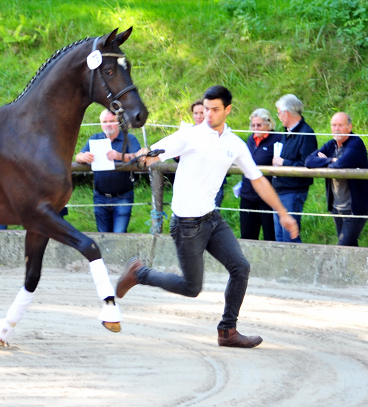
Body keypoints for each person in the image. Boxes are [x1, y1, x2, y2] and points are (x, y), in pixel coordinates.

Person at [116, 85, 298, 348]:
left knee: (240, 268)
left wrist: (283, 213)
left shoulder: (234, 143)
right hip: (187, 224)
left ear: (228, 110)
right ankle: (139, 273)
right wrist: (143, 156)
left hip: (211, 219)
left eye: (214, 110)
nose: (208, 115)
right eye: (206, 109)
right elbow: (153, 154)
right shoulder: (189, 136)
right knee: (191, 288)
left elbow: (257, 180)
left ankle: (228, 331)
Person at [305, 112, 368, 246]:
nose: (336, 128)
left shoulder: (355, 143)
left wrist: (324, 161)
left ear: (349, 127)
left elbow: (340, 164)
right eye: (334, 125)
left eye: (340, 125)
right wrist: (332, 159)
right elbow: (309, 161)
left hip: (355, 208)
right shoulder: (331, 145)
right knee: (349, 247)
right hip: (337, 207)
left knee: (343, 245)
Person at [75, 108, 142, 233]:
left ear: (119, 123)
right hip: (100, 196)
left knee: (119, 235)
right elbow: (77, 156)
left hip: (123, 196)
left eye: (112, 121)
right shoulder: (94, 139)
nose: (108, 124)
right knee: (103, 235)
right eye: (105, 121)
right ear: (101, 124)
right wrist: (83, 157)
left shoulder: (129, 138)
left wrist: (119, 156)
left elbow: (140, 157)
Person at [272, 94, 318, 242]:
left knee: (289, 237)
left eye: (279, 113)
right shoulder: (287, 132)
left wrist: (283, 163)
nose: (278, 116)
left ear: (286, 113)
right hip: (280, 189)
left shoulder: (306, 133)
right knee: (279, 238)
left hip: (293, 191)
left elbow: (307, 164)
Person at [239, 109, 283, 241]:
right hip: (247, 194)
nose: (255, 128)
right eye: (253, 125)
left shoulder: (278, 139)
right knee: (247, 236)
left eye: (259, 125)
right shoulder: (250, 139)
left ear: (268, 124)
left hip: (266, 196)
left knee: (270, 236)